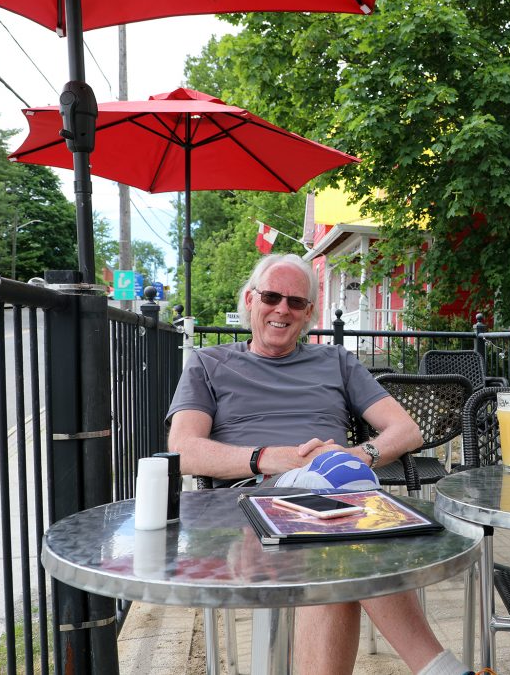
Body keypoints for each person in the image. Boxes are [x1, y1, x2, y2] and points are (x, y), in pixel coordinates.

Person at [167, 253, 472, 675]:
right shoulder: (209, 362)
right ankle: (440, 668)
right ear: (250, 299)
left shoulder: (335, 361)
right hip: (246, 507)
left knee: (337, 526)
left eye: (296, 302)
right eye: (272, 296)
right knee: (348, 521)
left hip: (332, 486)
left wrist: (358, 454)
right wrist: (270, 457)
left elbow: (407, 430)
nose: (282, 309)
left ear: (309, 312)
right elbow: (183, 449)